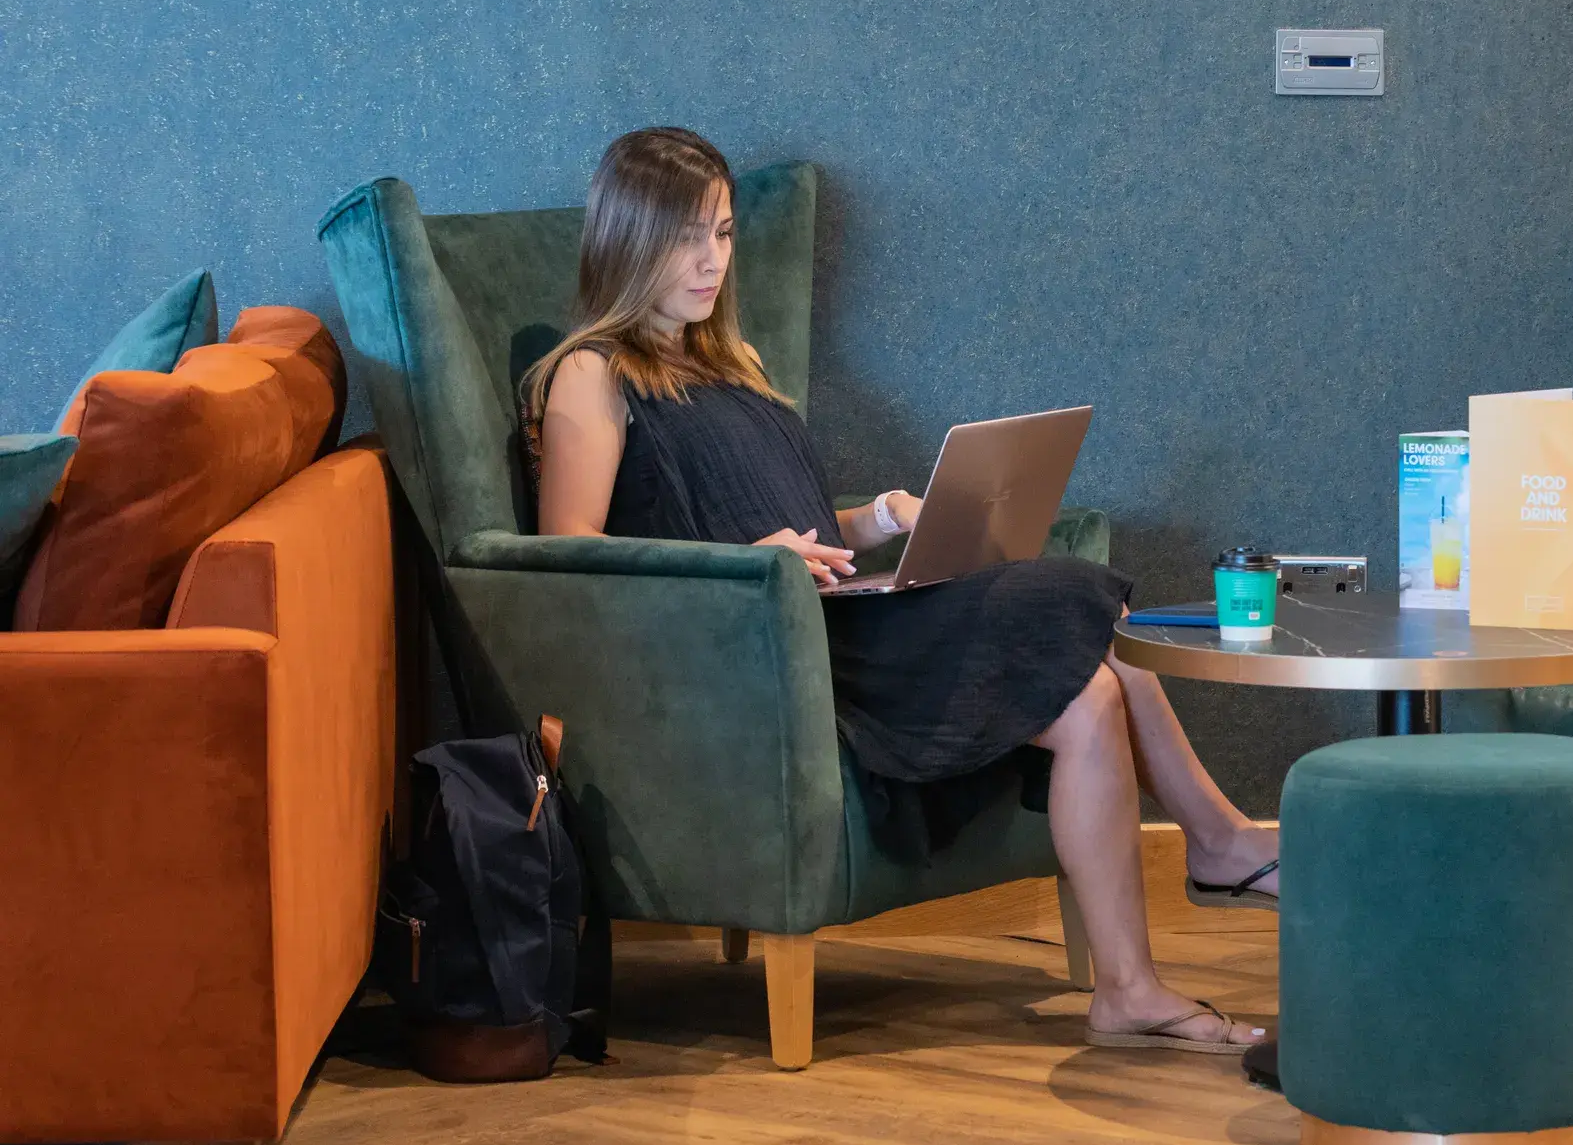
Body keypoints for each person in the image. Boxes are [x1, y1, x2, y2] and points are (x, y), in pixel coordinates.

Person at [525, 127, 1278, 1054]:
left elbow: (799, 528)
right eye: (687, 237)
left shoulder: (737, 364)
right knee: (1083, 604)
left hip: (841, 614)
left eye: (723, 233)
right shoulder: (591, 375)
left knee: (1092, 691)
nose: (712, 260)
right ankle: (1224, 843)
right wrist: (744, 562)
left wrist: (879, 518)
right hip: (771, 654)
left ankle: (1130, 985)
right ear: (629, 240)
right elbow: (568, 558)